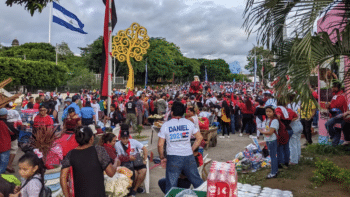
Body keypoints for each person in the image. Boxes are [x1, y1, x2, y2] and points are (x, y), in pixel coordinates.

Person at [158, 101, 204, 193]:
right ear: (183, 112)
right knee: (197, 182)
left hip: (173, 157)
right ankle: (204, 194)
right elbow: (199, 138)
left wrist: (162, 157)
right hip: (188, 156)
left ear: (172, 113)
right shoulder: (189, 123)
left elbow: (160, 144)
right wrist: (191, 149)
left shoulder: (166, 125)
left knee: (171, 185)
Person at [60, 126, 116, 197]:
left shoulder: (71, 154)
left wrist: (67, 195)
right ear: (92, 138)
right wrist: (116, 163)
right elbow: (111, 173)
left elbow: (63, 178)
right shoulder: (98, 150)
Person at [115, 128, 148, 196]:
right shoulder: (117, 144)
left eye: (126, 138)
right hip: (127, 163)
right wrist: (128, 158)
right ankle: (134, 189)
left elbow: (144, 148)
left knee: (143, 170)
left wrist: (145, 159)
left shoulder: (133, 141)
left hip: (137, 161)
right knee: (134, 173)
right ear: (120, 138)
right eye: (123, 138)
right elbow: (119, 157)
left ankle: (134, 189)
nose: (125, 140)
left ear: (129, 137)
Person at [325, 82, 348, 146]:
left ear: (336, 88)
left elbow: (338, 105)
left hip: (339, 116)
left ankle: (333, 136)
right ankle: (334, 147)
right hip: (335, 115)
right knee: (337, 130)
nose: (332, 88)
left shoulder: (341, 95)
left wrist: (330, 105)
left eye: (333, 87)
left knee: (327, 124)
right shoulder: (335, 95)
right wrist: (329, 106)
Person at [260, 105, 279, 179]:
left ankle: (273, 172)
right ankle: (275, 170)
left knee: (273, 156)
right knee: (273, 156)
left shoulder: (274, 121)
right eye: (267, 111)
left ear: (274, 112)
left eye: (270, 111)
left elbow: (270, 132)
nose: (268, 113)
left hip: (272, 140)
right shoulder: (269, 120)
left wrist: (261, 131)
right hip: (269, 140)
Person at [0, 108, 13, 174]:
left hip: (3, 145)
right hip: (5, 146)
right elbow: (12, 132)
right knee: (3, 163)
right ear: (5, 115)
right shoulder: (5, 123)